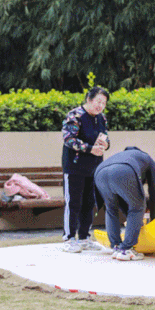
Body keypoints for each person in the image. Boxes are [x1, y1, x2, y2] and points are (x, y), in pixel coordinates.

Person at [61, 87, 110, 253]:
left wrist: (106, 144)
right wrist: (90, 149)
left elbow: (105, 137)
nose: (100, 105)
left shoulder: (101, 118)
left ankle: (84, 238)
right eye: (98, 101)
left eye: (103, 103)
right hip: (75, 167)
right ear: (89, 99)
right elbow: (69, 139)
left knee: (90, 203)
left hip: (94, 167)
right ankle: (69, 238)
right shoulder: (75, 115)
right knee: (73, 203)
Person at [94, 146, 155, 261]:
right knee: (138, 207)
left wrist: (133, 221)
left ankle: (116, 247)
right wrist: (154, 221)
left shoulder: (122, 156)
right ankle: (126, 249)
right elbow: (154, 193)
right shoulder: (147, 159)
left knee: (111, 209)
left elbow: (124, 199)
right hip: (123, 171)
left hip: (99, 172)